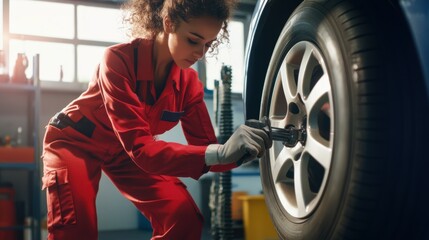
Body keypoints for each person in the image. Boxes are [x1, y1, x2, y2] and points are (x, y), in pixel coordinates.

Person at [41, 0, 271, 239]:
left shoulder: (189, 85)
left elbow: (208, 152)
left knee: (184, 218)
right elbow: (141, 149)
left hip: (125, 151)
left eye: (208, 44)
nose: (200, 54)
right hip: (75, 140)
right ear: (169, 23)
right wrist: (221, 153)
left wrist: (244, 149)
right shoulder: (117, 60)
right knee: (75, 230)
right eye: (193, 40)